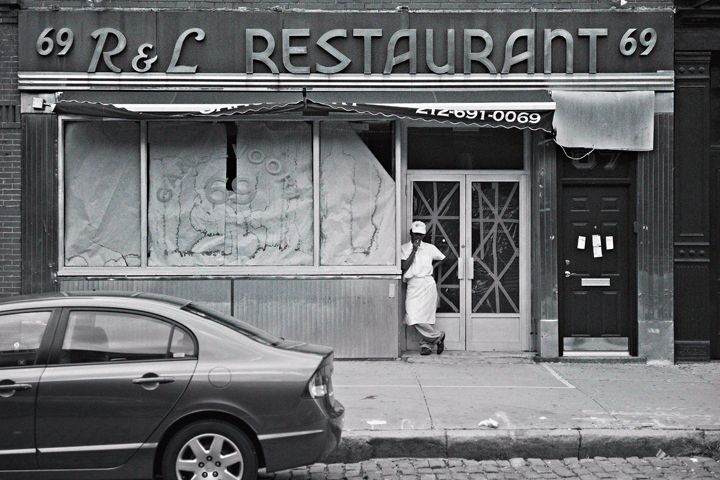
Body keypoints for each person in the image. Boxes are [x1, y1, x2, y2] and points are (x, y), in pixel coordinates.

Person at [401, 220, 446, 355]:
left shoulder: (429, 248)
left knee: (427, 317)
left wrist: (431, 269)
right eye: (415, 234)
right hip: (413, 283)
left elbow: (443, 258)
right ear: (411, 233)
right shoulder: (403, 248)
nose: (418, 237)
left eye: (420, 235)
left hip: (427, 283)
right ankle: (438, 336)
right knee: (412, 316)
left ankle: (426, 345)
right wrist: (414, 251)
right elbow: (404, 267)